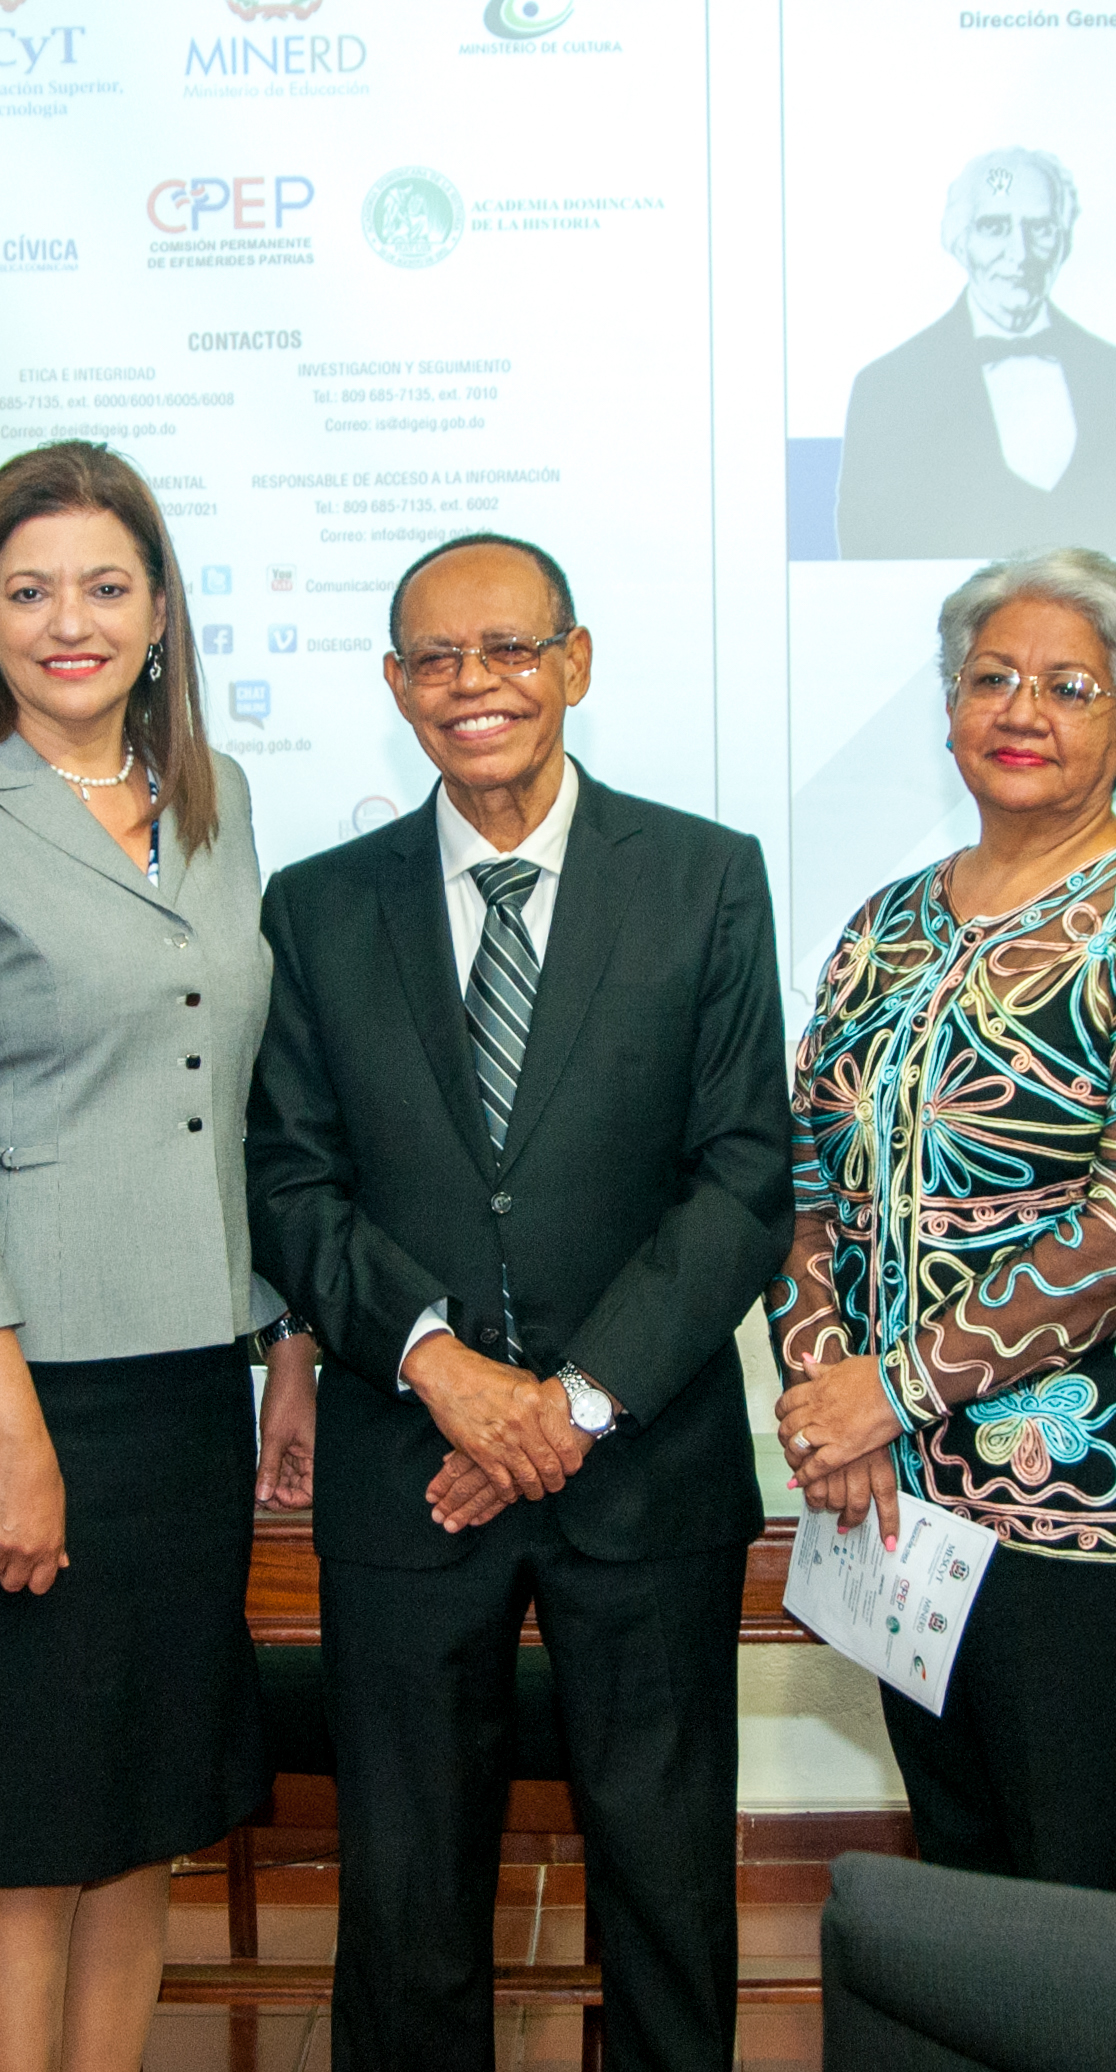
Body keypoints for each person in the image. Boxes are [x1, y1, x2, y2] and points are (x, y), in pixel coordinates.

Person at [246, 532, 791, 2072]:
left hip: (647, 1467)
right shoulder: (317, 906)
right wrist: (442, 1369)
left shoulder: (703, 878)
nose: (472, 683)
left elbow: (744, 1176)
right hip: (406, 1463)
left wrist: (572, 1404)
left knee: (665, 1887)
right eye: (435, 658)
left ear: (576, 663)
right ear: (394, 686)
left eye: (508, 649)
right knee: (407, 1896)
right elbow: (289, 1179)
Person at [0, 439, 317, 2072]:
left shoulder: (213, 801)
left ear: (160, 609)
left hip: (181, 1388)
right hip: (14, 1392)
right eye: (28, 591)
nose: (69, 622)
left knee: (142, 1817)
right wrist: (10, 1439)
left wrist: (285, 1342)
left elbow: (235, 1096)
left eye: (105, 586)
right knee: (23, 1834)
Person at [768, 548, 1116, 1898]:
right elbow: (800, 1184)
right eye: (991, 679)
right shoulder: (886, 926)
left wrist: (893, 1388)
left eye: (1068, 686)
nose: (1022, 710)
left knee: (1080, 1911)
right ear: (949, 710)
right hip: (897, 1502)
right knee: (960, 1884)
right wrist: (828, 1394)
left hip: (1098, 1509)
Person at [835, 147, 1116, 562]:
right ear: (960, 242)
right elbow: (868, 558)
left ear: (1063, 242)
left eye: (1040, 228)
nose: (1020, 253)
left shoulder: (1106, 368)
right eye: (994, 227)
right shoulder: (888, 386)